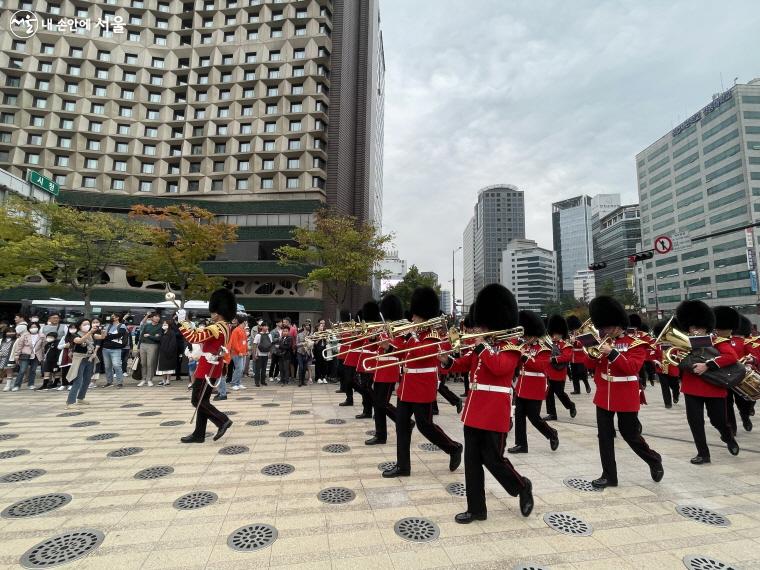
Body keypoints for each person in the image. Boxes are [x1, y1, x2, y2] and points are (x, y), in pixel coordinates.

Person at [441, 284, 534, 522]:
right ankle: (476, 509)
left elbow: (499, 367)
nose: (478, 328)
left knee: (494, 460)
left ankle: (522, 486)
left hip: (494, 410)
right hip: (474, 410)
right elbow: (466, 365)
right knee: (472, 463)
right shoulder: (483, 346)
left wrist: (481, 345)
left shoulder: (512, 345)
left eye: (482, 324)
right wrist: (447, 361)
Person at [382, 287, 463, 478]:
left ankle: (453, 448)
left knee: (425, 426)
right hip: (407, 386)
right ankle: (403, 466)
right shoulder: (416, 335)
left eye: (416, 317)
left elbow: (422, 354)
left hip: (422, 387)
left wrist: (411, 335)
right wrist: (388, 347)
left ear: (425, 317)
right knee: (401, 425)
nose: (412, 320)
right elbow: (404, 352)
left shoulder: (433, 337)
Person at [585, 296, 664, 488]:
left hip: (626, 395)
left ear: (617, 324)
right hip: (604, 394)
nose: (603, 330)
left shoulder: (636, 344)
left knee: (630, 435)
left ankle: (653, 459)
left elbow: (632, 368)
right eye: (602, 327)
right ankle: (609, 476)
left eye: (607, 327)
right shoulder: (602, 341)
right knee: (604, 437)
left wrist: (611, 353)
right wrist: (588, 349)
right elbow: (589, 365)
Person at [676, 302, 740, 465]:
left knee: (717, 420)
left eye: (698, 327)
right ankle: (703, 453)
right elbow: (676, 361)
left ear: (706, 327)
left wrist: (707, 365)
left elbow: (731, 357)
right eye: (691, 327)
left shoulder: (717, 341)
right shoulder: (684, 344)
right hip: (692, 387)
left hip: (713, 387)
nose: (694, 330)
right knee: (695, 421)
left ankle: (728, 437)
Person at [177, 288, 235, 444]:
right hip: (215, 366)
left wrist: (182, 322)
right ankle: (199, 434)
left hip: (206, 367)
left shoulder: (215, 327)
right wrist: (188, 322)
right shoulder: (226, 327)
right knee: (204, 400)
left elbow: (193, 337)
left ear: (217, 312)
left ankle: (222, 420)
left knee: (197, 400)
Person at [508, 311, 559, 454]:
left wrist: (524, 357)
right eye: (524, 336)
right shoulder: (525, 346)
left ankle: (552, 433)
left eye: (527, 336)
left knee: (534, 417)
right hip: (522, 385)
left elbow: (540, 367)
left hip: (536, 386)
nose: (525, 338)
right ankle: (521, 444)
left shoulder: (544, 349)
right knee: (519, 416)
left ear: (535, 334)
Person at [365, 295, 404, 445]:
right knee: (378, 404)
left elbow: (401, 347)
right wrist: (374, 338)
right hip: (380, 368)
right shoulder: (383, 327)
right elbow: (373, 347)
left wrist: (388, 345)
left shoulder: (399, 328)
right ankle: (380, 435)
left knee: (382, 404)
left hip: (389, 369)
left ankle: (404, 422)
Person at [543, 315, 577, 421]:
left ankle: (571, 405)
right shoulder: (549, 344)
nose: (554, 336)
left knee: (560, 393)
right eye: (552, 334)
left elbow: (567, 357)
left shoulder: (565, 345)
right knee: (549, 394)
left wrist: (553, 359)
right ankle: (552, 414)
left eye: (556, 334)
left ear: (561, 333)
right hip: (549, 373)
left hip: (559, 374)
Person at [724, 311, 753, 433]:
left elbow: (753, 356)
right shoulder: (720, 341)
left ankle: (745, 417)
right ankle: (731, 427)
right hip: (725, 377)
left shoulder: (746, 342)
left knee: (744, 401)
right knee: (727, 404)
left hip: (741, 377)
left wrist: (751, 360)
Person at [354, 301, 381, 417]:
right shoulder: (366, 327)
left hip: (372, 361)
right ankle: (367, 410)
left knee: (369, 388)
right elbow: (361, 341)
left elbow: (377, 345)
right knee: (365, 388)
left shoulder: (378, 328)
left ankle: (377, 409)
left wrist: (373, 338)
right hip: (364, 360)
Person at [66, 318, 99, 408]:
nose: (87, 326)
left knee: (87, 380)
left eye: (88, 324)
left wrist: (103, 331)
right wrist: (90, 332)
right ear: (79, 326)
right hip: (79, 359)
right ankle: (70, 402)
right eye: (84, 324)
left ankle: (80, 398)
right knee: (78, 380)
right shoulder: (75, 334)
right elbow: (79, 341)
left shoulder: (91, 334)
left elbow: (102, 337)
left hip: (89, 358)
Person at [652, 319, 681, 409]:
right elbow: (652, 356)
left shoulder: (676, 343)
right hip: (661, 368)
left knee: (675, 385)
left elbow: (680, 355)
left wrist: (674, 357)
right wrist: (657, 362)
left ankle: (676, 395)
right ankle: (667, 403)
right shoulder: (656, 344)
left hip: (673, 367)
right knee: (664, 387)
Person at [11, 321, 42, 390]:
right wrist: (17, 355)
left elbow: (43, 346)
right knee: (22, 370)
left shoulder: (42, 336)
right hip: (25, 354)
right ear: (28, 328)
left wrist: (42, 355)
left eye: (35, 327)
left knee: (33, 370)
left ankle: (31, 384)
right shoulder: (25, 335)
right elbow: (20, 345)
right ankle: (17, 385)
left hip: (36, 355)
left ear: (38, 327)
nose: (33, 328)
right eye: (31, 327)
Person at [101, 313, 129, 388]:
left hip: (116, 349)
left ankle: (120, 382)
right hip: (105, 348)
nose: (111, 317)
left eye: (113, 316)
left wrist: (108, 336)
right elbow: (103, 336)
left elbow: (119, 335)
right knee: (107, 366)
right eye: (111, 316)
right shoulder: (108, 325)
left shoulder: (122, 326)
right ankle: (109, 382)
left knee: (117, 365)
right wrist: (108, 336)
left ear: (117, 318)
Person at [567, 315, 591, 394]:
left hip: (581, 356)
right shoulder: (572, 333)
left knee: (582, 373)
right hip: (573, 356)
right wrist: (570, 341)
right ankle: (577, 389)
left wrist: (575, 342)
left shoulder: (582, 331)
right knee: (574, 375)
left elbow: (584, 343)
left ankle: (587, 385)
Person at [138, 312, 162, 387]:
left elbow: (158, 338)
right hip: (143, 345)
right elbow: (142, 336)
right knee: (143, 363)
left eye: (158, 317)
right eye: (155, 316)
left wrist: (149, 336)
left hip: (153, 345)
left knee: (150, 363)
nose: (157, 318)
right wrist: (138, 347)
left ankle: (149, 379)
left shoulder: (160, 326)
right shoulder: (147, 325)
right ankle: (143, 379)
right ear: (151, 318)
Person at [156, 319, 180, 386]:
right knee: (162, 367)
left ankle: (168, 380)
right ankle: (163, 380)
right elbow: (159, 340)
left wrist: (169, 350)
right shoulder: (162, 332)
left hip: (169, 352)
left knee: (169, 367)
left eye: (165, 324)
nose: (164, 326)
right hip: (162, 352)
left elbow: (173, 343)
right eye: (163, 324)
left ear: (169, 325)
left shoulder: (172, 332)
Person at [229, 314, 249, 391]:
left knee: (241, 369)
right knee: (239, 368)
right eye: (246, 322)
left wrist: (246, 350)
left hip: (242, 352)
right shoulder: (236, 330)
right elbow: (234, 343)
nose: (246, 323)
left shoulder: (243, 330)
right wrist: (239, 351)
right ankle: (234, 383)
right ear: (244, 322)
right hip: (237, 353)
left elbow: (245, 342)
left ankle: (238, 383)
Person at [252, 322, 272, 387]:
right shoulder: (258, 335)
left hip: (266, 354)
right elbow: (254, 345)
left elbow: (270, 344)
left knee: (264, 368)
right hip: (259, 354)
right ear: (261, 327)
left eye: (267, 326)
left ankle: (263, 381)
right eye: (264, 326)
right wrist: (254, 354)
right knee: (258, 369)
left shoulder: (269, 335)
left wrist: (270, 352)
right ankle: (257, 382)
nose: (266, 327)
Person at [0, 325, 17, 391]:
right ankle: (11, 384)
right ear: (5, 333)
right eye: (9, 332)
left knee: (9, 371)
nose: (11, 333)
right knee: (3, 371)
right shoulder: (1, 340)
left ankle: (8, 385)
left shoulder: (16, 340)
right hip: (1, 358)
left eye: (12, 332)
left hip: (10, 358)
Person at [296, 321, 313, 387]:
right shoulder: (299, 334)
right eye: (307, 325)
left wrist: (310, 344)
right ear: (303, 327)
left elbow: (312, 343)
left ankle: (303, 381)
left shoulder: (310, 334)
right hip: (300, 352)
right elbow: (296, 344)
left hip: (307, 352)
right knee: (301, 366)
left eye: (309, 325)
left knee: (305, 367)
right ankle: (300, 381)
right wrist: (303, 343)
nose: (308, 326)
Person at [278, 319, 294, 385]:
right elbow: (282, 346)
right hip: (281, 355)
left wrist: (280, 346)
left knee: (286, 368)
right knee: (281, 368)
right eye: (284, 331)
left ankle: (286, 380)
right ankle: (282, 379)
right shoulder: (281, 338)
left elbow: (288, 347)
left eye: (286, 331)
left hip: (287, 356)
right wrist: (281, 346)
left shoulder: (290, 338)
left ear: (288, 332)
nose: (285, 332)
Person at [313, 319, 329, 383]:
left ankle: (324, 377)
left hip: (324, 350)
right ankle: (318, 377)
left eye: (322, 326)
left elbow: (327, 342)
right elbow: (315, 343)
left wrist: (326, 338)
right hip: (318, 350)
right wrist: (319, 337)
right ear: (318, 327)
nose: (322, 327)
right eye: (321, 326)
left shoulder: (325, 333)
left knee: (324, 364)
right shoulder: (315, 333)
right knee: (318, 364)